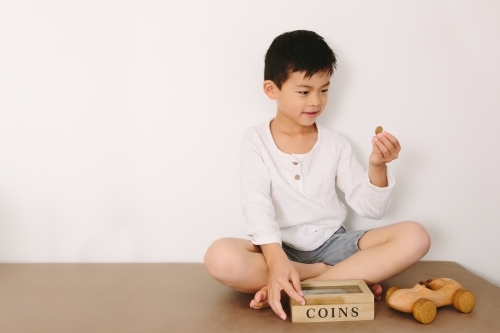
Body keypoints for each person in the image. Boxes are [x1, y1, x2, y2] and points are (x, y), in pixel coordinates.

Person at [204, 30, 430, 321]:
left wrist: (377, 166)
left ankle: (301, 287)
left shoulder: (335, 143)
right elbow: (255, 203)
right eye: (304, 91)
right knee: (219, 257)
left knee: (416, 236)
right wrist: (276, 262)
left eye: (324, 90)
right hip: (279, 249)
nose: (316, 101)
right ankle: (332, 278)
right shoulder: (254, 139)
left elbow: (371, 210)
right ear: (272, 90)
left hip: (334, 245)